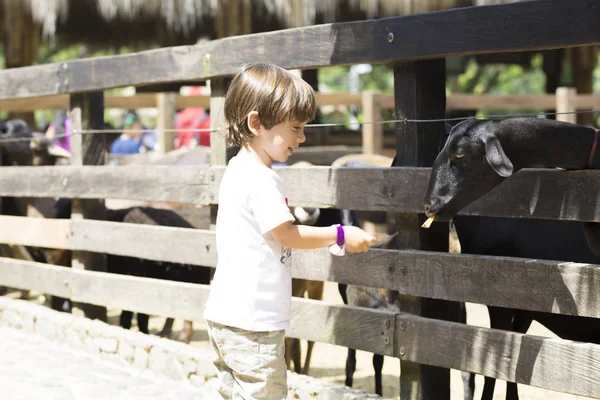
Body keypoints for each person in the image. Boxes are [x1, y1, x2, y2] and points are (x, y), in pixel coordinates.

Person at [203, 63, 376, 400]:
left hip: (225, 315)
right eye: (295, 128)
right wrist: (339, 234)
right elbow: (288, 235)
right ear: (256, 123)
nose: (302, 137)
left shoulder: (237, 168)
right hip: (254, 322)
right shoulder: (262, 179)